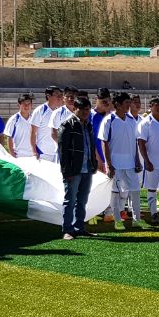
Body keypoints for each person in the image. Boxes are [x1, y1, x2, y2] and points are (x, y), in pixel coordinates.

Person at [57, 95, 96, 240]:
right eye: (82, 109)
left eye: (88, 109)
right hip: (74, 170)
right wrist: (66, 171)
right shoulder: (67, 125)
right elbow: (63, 150)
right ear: (75, 109)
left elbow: (90, 146)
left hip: (87, 168)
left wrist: (94, 163)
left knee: (82, 200)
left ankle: (80, 227)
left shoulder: (88, 125)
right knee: (70, 200)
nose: (86, 112)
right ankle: (67, 229)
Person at [100, 91, 142, 229]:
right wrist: (109, 164)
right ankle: (116, 219)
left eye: (129, 103)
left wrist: (137, 160)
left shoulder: (132, 120)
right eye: (126, 103)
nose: (129, 106)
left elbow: (135, 142)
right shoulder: (109, 120)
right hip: (115, 164)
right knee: (115, 192)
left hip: (130, 163)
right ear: (117, 104)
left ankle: (137, 219)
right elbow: (104, 142)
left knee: (135, 190)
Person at [29, 85, 64, 162]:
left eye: (60, 94)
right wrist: (34, 151)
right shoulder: (40, 110)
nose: (59, 97)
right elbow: (33, 132)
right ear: (48, 96)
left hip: (57, 152)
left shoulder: (60, 111)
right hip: (43, 152)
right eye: (56, 94)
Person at [2, 94, 36, 159]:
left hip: (33, 155)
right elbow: (9, 137)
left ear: (31, 105)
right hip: (19, 155)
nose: (26, 106)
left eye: (29, 104)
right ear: (19, 105)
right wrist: (12, 153)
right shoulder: (13, 120)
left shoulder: (34, 119)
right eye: (24, 104)